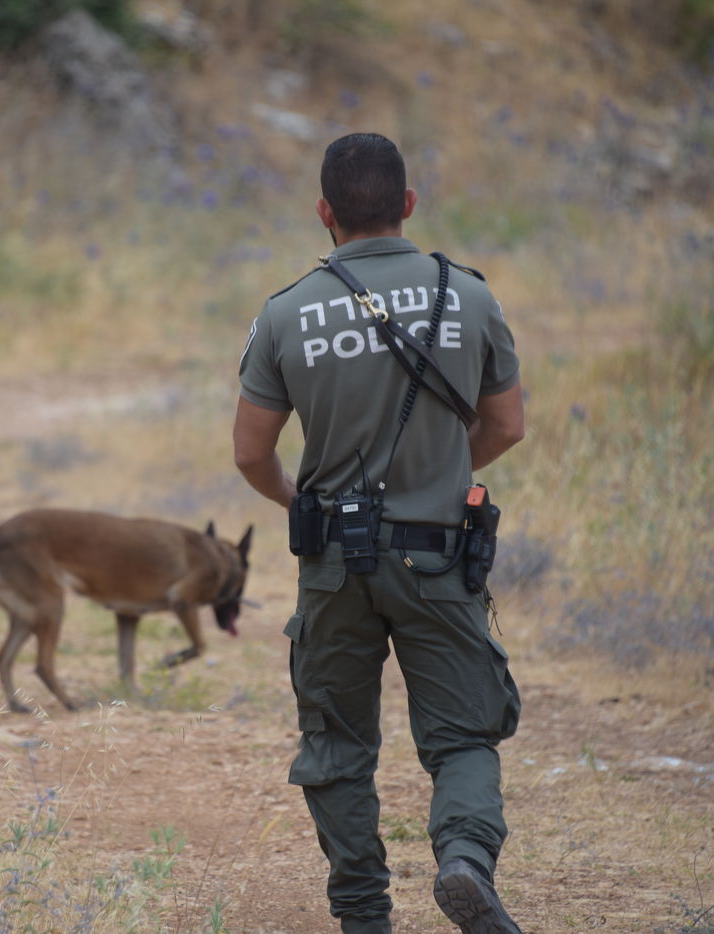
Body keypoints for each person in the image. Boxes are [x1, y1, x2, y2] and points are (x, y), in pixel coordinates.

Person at [232, 132, 526, 934]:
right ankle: (463, 859)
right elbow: (507, 423)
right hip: (438, 556)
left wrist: (304, 503)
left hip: (334, 562)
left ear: (323, 212)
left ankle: (363, 914)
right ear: (407, 205)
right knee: (464, 733)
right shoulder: (468, 296)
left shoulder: (287, 312)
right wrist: (437, 471)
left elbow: (250, 454)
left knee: (334, 741)